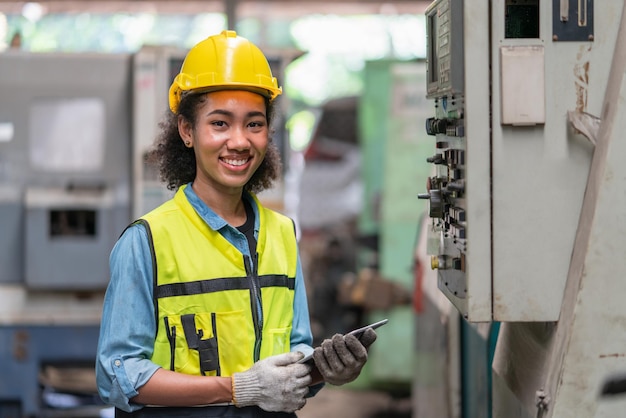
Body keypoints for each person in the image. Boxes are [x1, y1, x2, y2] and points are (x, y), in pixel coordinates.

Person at [96, 30, 378, 418]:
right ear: (186, 131)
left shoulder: (281, 233)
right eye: (220, 123)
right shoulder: (148, 241)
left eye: (254, 124)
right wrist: (238, 388)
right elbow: (118, 376)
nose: (240, 141)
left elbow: (293, 355)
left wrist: (325, 370)